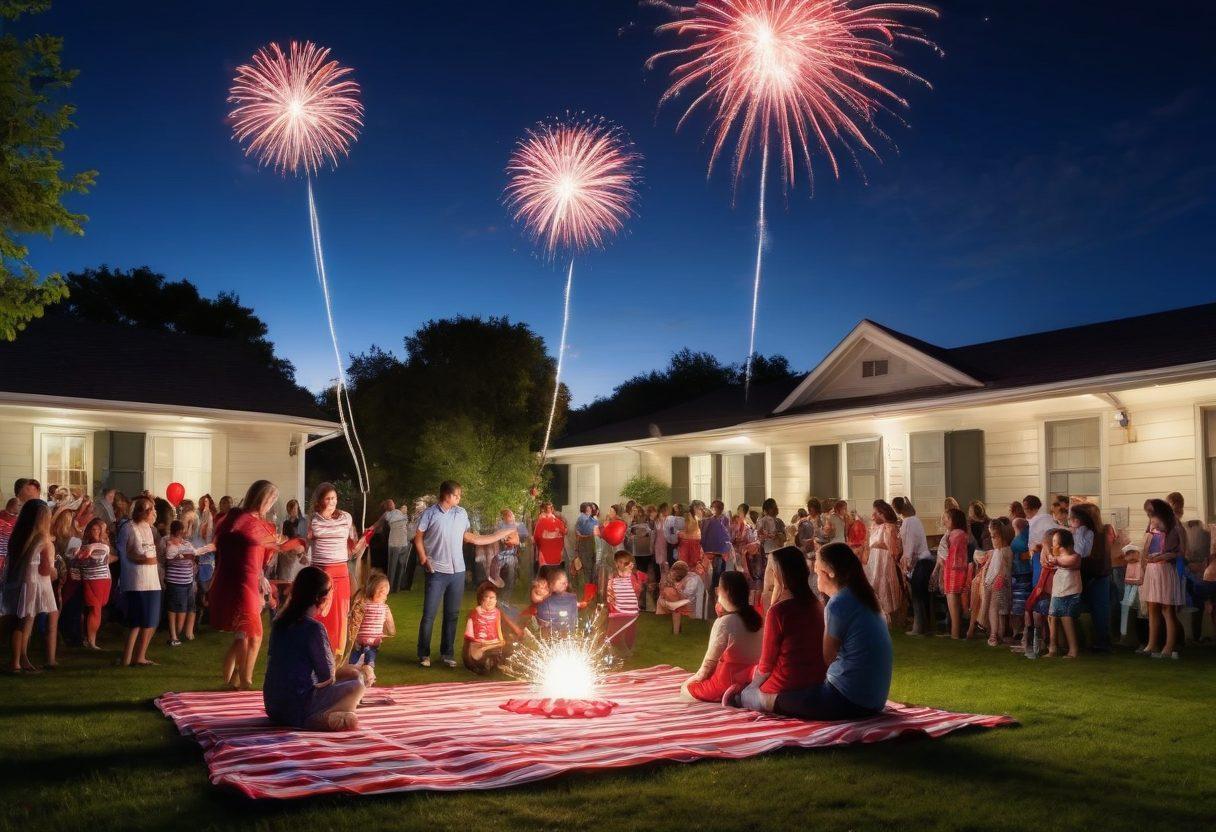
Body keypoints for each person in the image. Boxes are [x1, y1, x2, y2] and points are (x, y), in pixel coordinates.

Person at [761, 542, 893, 720]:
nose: (816, 579)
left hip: (848, 698)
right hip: (875, 699)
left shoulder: (838, 603)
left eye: (817, 572)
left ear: (830, 573)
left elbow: (827, 657)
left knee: (780, 700)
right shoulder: (865, 597)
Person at [413, 480, 515, 668]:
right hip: (436, 571)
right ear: (446, 495)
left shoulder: (461, 513)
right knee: (429, 614)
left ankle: (447, 654)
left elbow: (470, 537)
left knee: (452, 614)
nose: (459, 498)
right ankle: (423, 654)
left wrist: (500, 535)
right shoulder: (430, 514)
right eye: (456, 495)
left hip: (457, 571)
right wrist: (423, 558)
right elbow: (418, 538)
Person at [263, 566, 370, 731]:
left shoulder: (279, 622)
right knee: (358, 684)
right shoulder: (314, 628)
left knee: (352, 676)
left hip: (273, 706)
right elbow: (327, 677)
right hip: (299, 706)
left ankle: (327, 715)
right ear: (321, 598)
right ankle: (318, 719)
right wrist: (355, 671)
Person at [211, 480, 292, 689]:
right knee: (254, 633)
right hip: (241, 581)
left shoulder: (260, 523)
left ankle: (235, 681)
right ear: (260, 497)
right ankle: (245, 680)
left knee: (246, 634)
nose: (272, 503)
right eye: (271, 498)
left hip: (253, 580)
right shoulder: (240, 519)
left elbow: (264, 553)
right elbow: (226, 540)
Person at [737, 547, 827, 713]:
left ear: (779, 574)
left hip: (785, 685)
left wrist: (751, 687)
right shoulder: (818, 606)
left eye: (772, 570)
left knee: (743, 693)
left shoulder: (779, 611)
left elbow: (766, 665)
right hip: (816, 682)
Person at [680, 570, 763, 703]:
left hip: (726, 683)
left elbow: (708, 664)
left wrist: (691, 681)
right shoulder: (758, 618)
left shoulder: (725, 622)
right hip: (752, 680)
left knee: (686, 689)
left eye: (719, 588)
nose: (717, 591)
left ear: (727, 592)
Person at [303, 483, 358, 657]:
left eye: (334, 498)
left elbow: (352, 541)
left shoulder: (346, 517)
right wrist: (302, 554)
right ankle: (316, 648)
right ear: (320, 501)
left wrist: (357, 545)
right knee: (319, 610)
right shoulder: (313, 520)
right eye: (328, 499)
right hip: (320, 571)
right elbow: (306, 544)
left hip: (340, 570)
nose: (332, 502)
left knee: (339, 612)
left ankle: (336, 652)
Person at [5, 499, 59, 672]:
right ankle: (16, 662)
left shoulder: (18, 537)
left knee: (19, 622)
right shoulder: (42, 539)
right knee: (24, 623)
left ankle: (22, 658)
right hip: (33, 585)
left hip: (18, 583)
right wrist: (55, 571)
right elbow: (45, 569)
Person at [120, 496, 161, 667]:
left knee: (151, 620)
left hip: (152, 580)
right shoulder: (128, 528)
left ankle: (141, 656)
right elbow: (124, 553)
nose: (153, 512)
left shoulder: (149, 528)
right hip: (136, 580)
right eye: (149, 509)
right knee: (136, 621)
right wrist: (142, 560)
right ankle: (127, 658)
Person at [1141, 499, 1184, 659]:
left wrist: (1164, 556)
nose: (1149, 515)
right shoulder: (1152, 524)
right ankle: (1151, 644)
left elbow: (1180, 551)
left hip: (1165, 569)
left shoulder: (1174, 525)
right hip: (1152, 569)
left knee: (1167, 608)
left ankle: (1169, 646)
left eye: (1151, 511)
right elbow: (1146, 545)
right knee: (1152, 606)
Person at [1071, 503, 1112, 652]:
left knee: (1099, 610)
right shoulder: (1098, 532)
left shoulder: (1093, 533)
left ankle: (1101, 641)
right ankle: (1095, 640)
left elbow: (1084, 554)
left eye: (1074, 517)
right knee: (1096, 609)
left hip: (1095, 575)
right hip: (1095, 574)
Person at [164, 520, 207, 647]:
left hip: (188, 581)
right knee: (176, 609)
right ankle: (174, 636)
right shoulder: (167, 542)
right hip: (175, 582)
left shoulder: (187, 543)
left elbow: (195, 553)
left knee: (188, 608)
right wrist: (182, 555)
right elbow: (167, 557)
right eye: (183, 530)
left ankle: (180, 634)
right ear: (179, 531)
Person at [893, 497, 933, 635]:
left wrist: (906, 565)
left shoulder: (908, 522)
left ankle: (918, 628)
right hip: (925, 559)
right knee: (923, 596)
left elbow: (909, 545)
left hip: (919, 562)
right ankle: (926, 626)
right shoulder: (916, 520)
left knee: (917, 596)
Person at [76, 518, 114, 650]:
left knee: (98, 608)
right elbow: (80, 558)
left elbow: (107, 554)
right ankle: (91, 641)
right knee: (95, 609)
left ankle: (91, 639)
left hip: (104, 579)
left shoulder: (104, 544)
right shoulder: (85, 545)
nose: (96, 532)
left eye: (99, 529)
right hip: (91, 580)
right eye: (94, 529)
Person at [1045, 528, 1082, 658]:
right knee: (1052, 616)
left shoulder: (1075, 557)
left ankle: (1073, 650)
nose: (1052, 544)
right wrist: (1050, 555)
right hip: (1057, 592)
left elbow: (1068, 563)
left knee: (1066, 618)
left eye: (1055, 541)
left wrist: (1055, 560)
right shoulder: (1056, 557)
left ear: (1062, 544)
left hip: (1069, 592)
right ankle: (1053, 648)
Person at [864, 500, 902, 626]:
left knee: (884, 585)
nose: (873, 515)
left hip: (885, 562)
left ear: (882, 513)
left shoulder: (889, 527)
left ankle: (889, 618)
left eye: (876, 513)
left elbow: (893, 548)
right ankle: (876, 616)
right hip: (875, 561)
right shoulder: (876, 526)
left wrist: (876, 544)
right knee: (873, 584)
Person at [348, 570, 395, 671]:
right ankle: (368, 672)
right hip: (373, 642)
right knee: (369, 660)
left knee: (353, 660)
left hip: (359, 640)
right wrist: (391, 632)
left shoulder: (362, 605)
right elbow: (390, 625)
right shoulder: (385, 608)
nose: (386, 597)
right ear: (381, 593)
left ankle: (352, 670)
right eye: (386, 594)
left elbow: (354, 620)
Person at [463, 581, 513, 674]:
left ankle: (496, 663)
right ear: (481, 599)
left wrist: (501, 641)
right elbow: (469, 637)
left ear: (496, 600)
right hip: (479, 645)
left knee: (509, 646)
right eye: (487, 597)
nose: (490, 601)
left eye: (492, 598)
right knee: (482, 658)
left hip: (494, 644)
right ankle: (487, 663)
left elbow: (499, 631)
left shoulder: (497, 613)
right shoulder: (474, 614)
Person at [937, 507, 970, 639]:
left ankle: (955, 634)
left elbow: (953, 554)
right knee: (953, 605)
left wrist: (943, 561)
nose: (944, 521)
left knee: (953, 605)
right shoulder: (958, 533)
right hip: (953, 570)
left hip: (954, 571)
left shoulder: (957, 534)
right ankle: (954, 632)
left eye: (947, 518)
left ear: (954, 520)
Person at [984, 517, 1014, 646]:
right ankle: (1000, 634)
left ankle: (993, 634)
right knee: (1001, 610)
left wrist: (995, 581)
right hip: (1000, 583)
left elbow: (1002, 569)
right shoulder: (999, 550)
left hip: (1000, 583)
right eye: (991, 537)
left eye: (994, 537)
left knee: (994, 607)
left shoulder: (1003, 551)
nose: (992, 540)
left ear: (1002, 536)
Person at [606, 550, 642, 654]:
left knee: (628, 632)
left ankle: (627, 652)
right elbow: (609, 593)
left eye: (627, 563)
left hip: (628, 611)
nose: (625, 565)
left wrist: (632, 574)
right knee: (614, 633)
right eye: (622, 562)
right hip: (620, 610)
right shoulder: (612, 578)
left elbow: (638, 589)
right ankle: (617, 651)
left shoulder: (632, 576)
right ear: (616, 564)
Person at [535, 566, 579, 636]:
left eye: (566, 582)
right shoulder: (544, 600)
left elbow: (573, 622)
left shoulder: (572, 598)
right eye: (562, 583)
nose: (565, 584)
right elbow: (542, 624)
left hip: (566, 634)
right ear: (551, 584)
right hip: (550, 634)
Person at [656, 560, 695, 634]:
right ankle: (676, 629)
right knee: (675, 607)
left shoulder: (685, 579)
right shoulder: (667, 578)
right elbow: (662, 588)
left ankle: (676, 630)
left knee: (676, 609)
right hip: (670, 598)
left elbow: (685, 592)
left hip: (678, 599)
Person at [532, 501, 567, 575]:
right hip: (555, 551)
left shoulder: (541, 520)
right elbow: (564, 533)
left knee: (547, 572)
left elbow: (536, 537)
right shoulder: (558, 521)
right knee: (555, 572)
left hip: (546, 551)